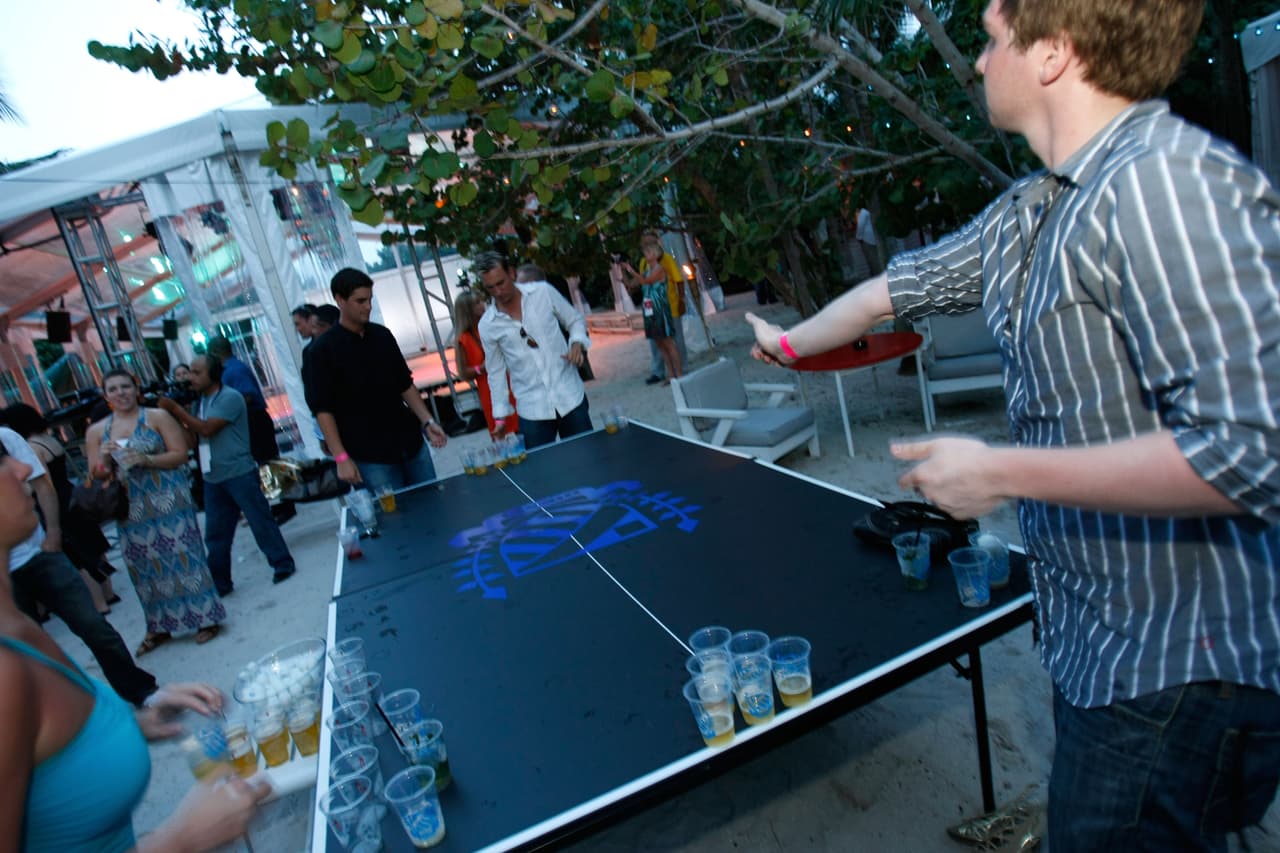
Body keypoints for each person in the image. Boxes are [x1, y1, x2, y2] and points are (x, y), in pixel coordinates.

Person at [747, 1, 1280, 849]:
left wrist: (1001, 471)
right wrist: (789, 344)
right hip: (1094, 644)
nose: (982, 38)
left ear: (1054, 55)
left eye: (997, 33)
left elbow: (1252, 449)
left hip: (1175, 666)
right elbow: (896, 289)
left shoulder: (1161, 184)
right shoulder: (1029, 210)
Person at [0, 442, 270, 850]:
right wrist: (175, 841)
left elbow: (46, 760)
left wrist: (124, 726)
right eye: (1, 461)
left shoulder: (14, 622)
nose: (23, 469)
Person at [0, 425, 159, 706]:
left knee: (93, 625)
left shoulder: (5, 437)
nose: (18, 474)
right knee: (26, 650)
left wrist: (53, 533)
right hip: (6, 576)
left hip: (39, 555)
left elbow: (40, 483)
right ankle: (58, 718)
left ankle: (141, 692)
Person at [86, 369, 225, 654]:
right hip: (130, 506)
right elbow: (96, 475)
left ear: (136, 388)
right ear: (106, 395)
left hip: (168, 498)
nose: (121, 393)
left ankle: (205, 618)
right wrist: (103, 456)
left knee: (186, 557)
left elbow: (181, 454)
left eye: (126, 386)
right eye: (113, 389)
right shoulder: (97, 431)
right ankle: (160, 626)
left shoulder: (156, 417)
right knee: (144, 566)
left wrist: (145, 458)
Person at [159, 355, 297, 594]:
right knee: (216, 535)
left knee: (260, 522)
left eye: (197, 372)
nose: (191, 377)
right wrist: (177, 418)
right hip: (213, 476)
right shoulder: (199, 402)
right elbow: (194, 438)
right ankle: (221, 583)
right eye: (190, 372)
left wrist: (175, 410)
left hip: (239, 472)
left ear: (213, 375)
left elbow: (206, 429)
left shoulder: (229, 398)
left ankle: (282, 564)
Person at [304, 267, 448, 490]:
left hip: (410, 443)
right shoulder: (321, 351)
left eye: (370, 299)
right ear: (340, 300)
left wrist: (428, 421)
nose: (368, 306)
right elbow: (322, 410)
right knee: (394, 519)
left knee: (434, 505)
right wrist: (341, 458)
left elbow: (404, 383)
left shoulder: (382, 335)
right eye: (360, 301)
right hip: (369, 456)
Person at [0, 403, 121, 614]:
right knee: (92, 547)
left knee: (76, 558)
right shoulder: (49, 439)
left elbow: (42, 481)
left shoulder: (33, 446)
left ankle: (98, 604)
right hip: (70, 494)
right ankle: (108, 593)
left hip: (58, 501)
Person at [474, 252, 593, 449]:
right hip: (531, 409)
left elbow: (574, 320)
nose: (498, 291)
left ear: (511, 273)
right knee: (540, 475)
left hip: (570, 396)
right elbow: (495, 372)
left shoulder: (543, 292)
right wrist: (501, 418)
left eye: (501, 283)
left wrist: (576, 344)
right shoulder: (487, 325)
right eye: (490, 287)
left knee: (589, 462)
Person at [452, 288, 518, 435]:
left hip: (513, 380)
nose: (482, 305)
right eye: (476, 303)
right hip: (489, 388)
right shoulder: (464, 338)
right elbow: (463, 372)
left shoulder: (492, 325)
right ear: (467, 310)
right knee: (505, 433)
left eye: (481, 301)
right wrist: (481, 368)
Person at [625, 233, 688, 384]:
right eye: (644, 246)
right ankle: (665, 373)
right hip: (650, 307)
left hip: (666, 305)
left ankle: (680, 371)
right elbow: (640, 281)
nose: (645, 249)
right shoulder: (643, 264)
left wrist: (681, 300)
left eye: (648, 246)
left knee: (673, 340)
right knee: (658, 342)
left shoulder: (665, 261)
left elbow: (677, 280)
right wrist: (625, 275)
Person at [854, 205, 882, 277]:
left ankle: (876, 274)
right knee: (876, 257)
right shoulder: (871, 210)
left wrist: (858, 237)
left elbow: (860, 226)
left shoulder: (863, 212)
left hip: (867, 239)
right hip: (873, 237)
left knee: (872, 259)